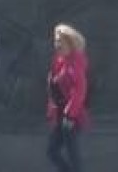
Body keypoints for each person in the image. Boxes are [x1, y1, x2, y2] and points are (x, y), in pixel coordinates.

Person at [46, 24, 89, 172]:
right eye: (56, 41)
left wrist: (70, 115)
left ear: (70, 44)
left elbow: (79, 90)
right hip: (60, 116)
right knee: (52, 151)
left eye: (61, 41)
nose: (57, 45)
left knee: (72, 155)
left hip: (70, 118)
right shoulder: (59, 62)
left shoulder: (74, 63)